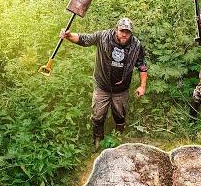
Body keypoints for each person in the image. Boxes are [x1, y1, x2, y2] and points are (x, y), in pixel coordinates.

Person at [59, 17, 148, 150]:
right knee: (98, 116)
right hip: (102, 86)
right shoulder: (103, 37)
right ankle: (98, 139)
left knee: (120, 115)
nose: (124, 34)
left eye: (127, 32)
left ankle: (118, 138)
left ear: (131, 33)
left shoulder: (136, 45)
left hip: (121, 89)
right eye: (122, 31)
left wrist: (142, 86)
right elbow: (83, 39)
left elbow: (142, 66)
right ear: (116, 29)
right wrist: (68, 35)